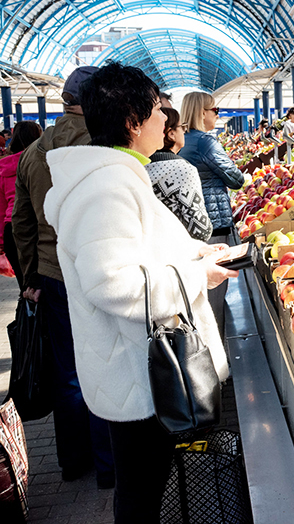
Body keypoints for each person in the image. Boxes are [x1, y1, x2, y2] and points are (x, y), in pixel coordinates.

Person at [41, 62, 236, 523]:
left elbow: (143, 247)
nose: (165, 121)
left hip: (140, 367)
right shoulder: (106, 187)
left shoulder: (121, 176)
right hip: (138, 374)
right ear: (132, 121)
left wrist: (198, 254)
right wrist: (195, 278)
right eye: (155, 111)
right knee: (141, 492)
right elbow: (114, 282)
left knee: (145, 486)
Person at [11, 66, 116, 489]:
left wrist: (29, 275)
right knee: (106, 367)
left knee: (68, 372)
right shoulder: (105, 145)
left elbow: (21, 224)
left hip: (53, 277)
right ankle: (110, 466)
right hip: (100, 271)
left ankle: (73, 461)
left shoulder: (32, 153)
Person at [178, 91, 244, 337]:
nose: (218, 115)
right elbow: (236, 179)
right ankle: (217, 364)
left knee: (193, 296)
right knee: (214, 297)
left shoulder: (178, 140)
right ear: (202, 113)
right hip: (213, 225)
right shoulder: (206, 142)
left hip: (187, 226)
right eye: (214, 110)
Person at [145, 107, 213, 241]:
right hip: (176, 253)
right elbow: (200, 230)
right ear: (171, 134)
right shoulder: (183, 170)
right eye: (182, 127)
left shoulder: (137, 166)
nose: (184, 131)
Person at [0, 121, 42, 289]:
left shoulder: (3, 166)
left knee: (25, 286)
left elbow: (1, 208)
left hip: (11, 229)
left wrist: (2, 241)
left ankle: (26, 314)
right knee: (42, 286)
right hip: (36, 227)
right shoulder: (41, 161)